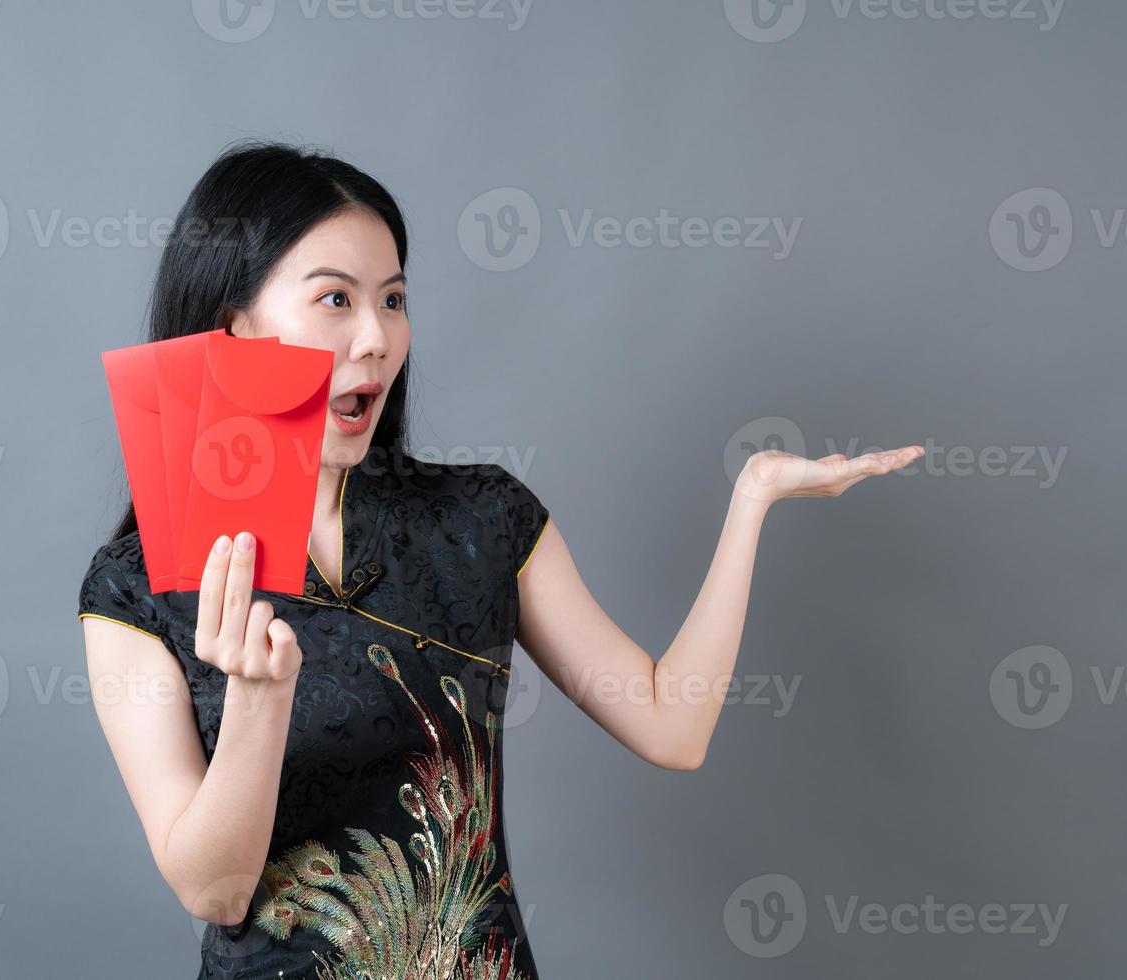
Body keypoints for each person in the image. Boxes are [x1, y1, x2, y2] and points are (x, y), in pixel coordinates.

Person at [76, 140, 923, 980]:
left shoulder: (480, 519)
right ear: (236, 328)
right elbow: (216, 893)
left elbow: (672, 725)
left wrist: (754, 500)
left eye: (394, 298)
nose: (376, 337)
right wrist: (259, 704)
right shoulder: (136, 589)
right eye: (335, 299)